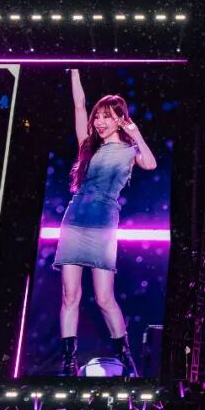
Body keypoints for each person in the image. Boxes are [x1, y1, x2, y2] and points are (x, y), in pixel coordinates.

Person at [54, 69, 157, 377]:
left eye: (106, 117)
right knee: (70, 295)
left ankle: (126, 357)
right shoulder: (88, 145)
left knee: (104, 298)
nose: (99, 122)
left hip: (103, 225)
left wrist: (135, 132)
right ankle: (68, 362)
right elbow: (79, 105)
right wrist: (74, 72)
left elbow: (151, 164)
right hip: (74, 221)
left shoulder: (130, 150)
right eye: (97, 117)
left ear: (120, 119)